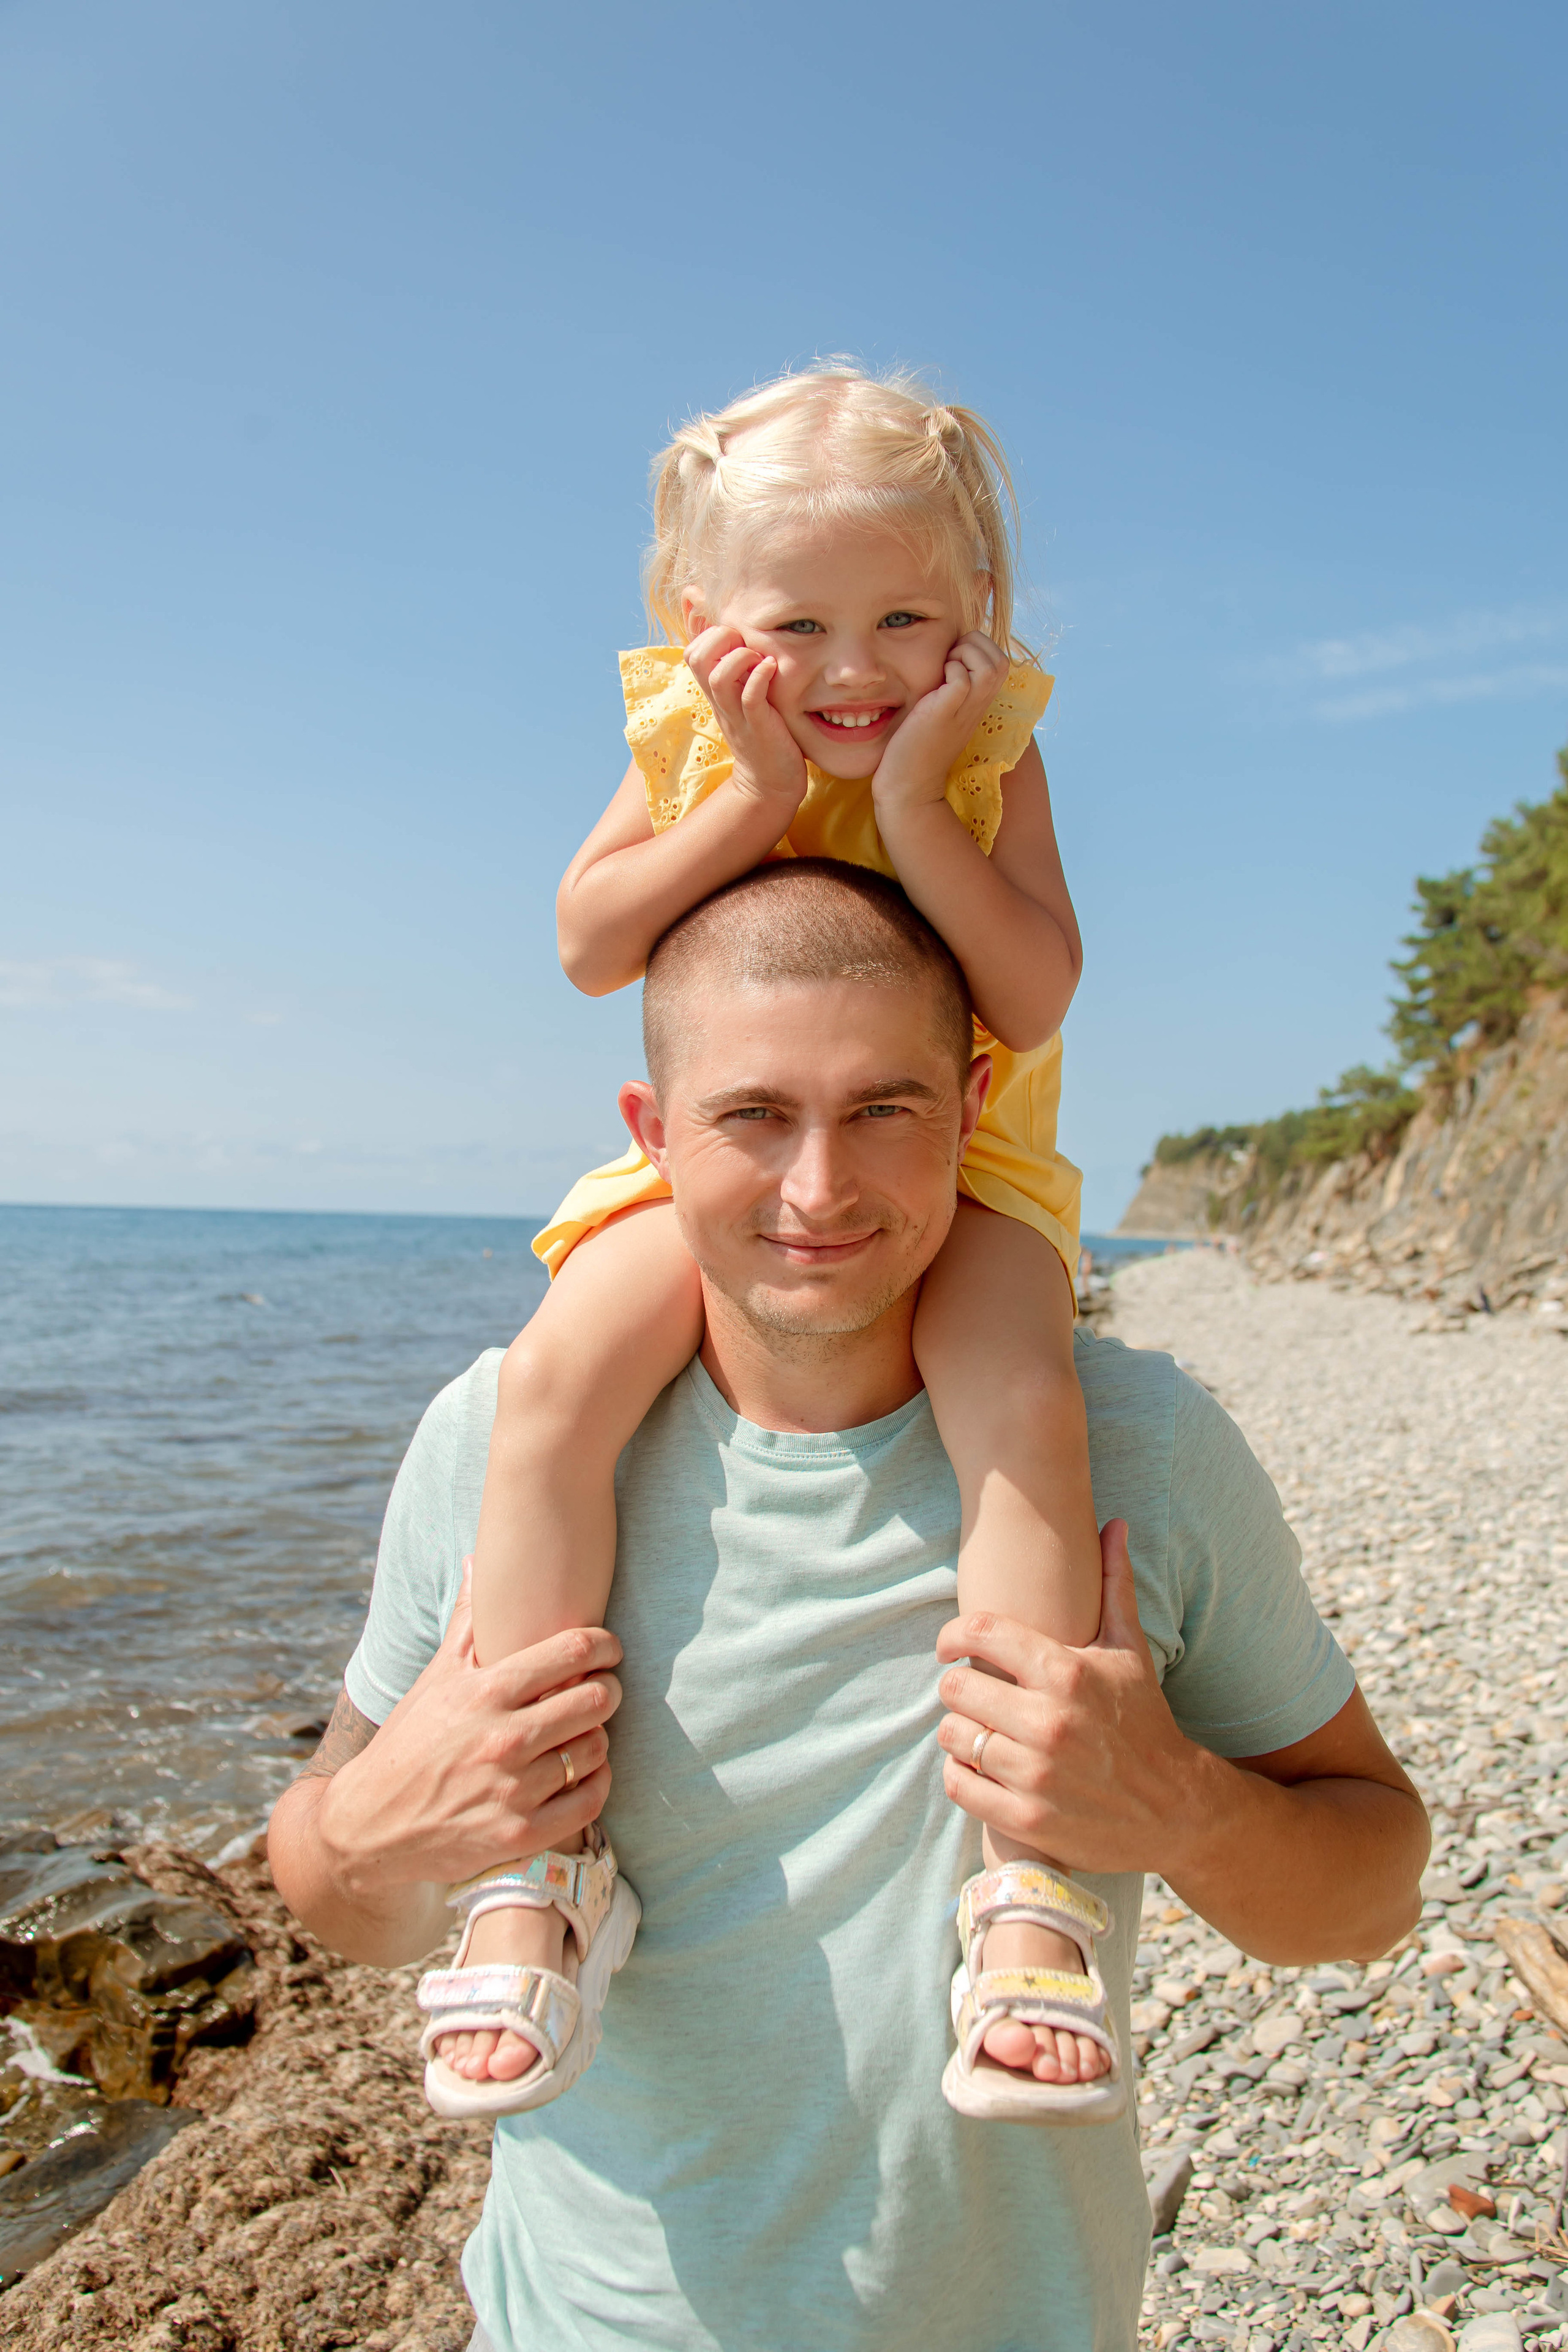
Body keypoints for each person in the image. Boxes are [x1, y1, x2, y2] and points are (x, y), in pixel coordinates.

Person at [268, 859, 1430, 2352]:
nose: (817, 1189)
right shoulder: (499, 1444)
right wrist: (370, 1834)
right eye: (752, 1116)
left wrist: (1184, 1810)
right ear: (649, 1137)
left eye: (883, 1110)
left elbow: (1375, 1889)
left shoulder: (1138, 1449)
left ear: (973, 1111)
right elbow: (333, 1892)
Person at [440, 363, 1113, 2125]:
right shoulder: (683, 734)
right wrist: (739, 797)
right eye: (798, 620)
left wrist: (911, 815)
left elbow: (1031, 990)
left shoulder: (989, 746)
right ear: (700, 620)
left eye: (906, 614)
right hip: (727, 1176)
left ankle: (1029, 1884)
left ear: (979, 608)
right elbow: (594, 945)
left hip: (965, 1169)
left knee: (1022, 1405)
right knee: (558, 1383)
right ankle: (538, 1860)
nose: (854, 667)